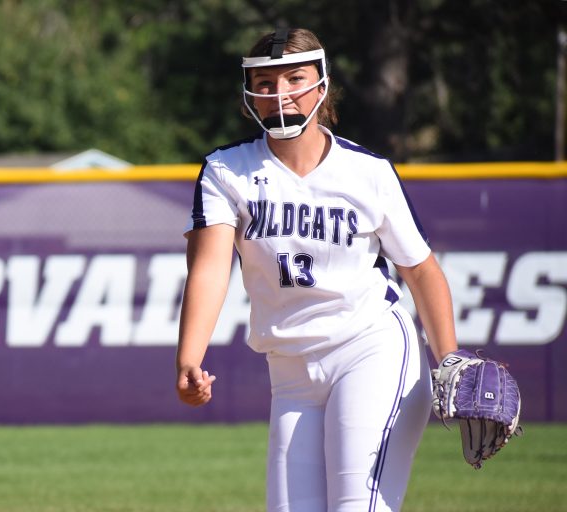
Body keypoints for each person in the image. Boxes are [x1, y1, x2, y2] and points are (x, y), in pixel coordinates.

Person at [175, 27, 459, 512]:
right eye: (264, 83)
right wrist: (189, 358)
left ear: (321, 84)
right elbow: (209, 268)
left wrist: (449, 358)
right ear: (250, 94)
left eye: (294, 78)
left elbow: (421, 271)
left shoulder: (367, 172)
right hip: (290, 372)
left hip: (370, 348)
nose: (279, 92)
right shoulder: (226, 171)